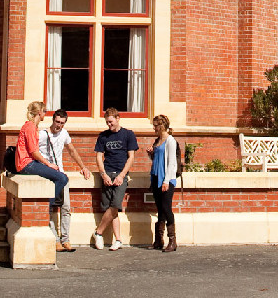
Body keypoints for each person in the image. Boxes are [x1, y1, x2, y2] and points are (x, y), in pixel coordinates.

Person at [40, 108, 91, 252]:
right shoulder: (42, 135)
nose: (59, 125)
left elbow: (72, 150)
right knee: (48, 208)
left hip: (61, 176)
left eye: (62, 123)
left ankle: (66, 239)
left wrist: (83, 167)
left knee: (66, 208)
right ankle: (55, 240)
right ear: (52, 120)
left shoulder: (64, 134)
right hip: (47, 175)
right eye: (57, 122)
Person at [92, 108, 138, 250]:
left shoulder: (128, 135)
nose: (109, 125)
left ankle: (98, 233)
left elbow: (131, 157)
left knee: (115, 205)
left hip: (120, 174)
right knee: (109, 208)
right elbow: (99, 156)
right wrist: (103, 174)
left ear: (118, 118)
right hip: (107, 174)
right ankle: (118, 240)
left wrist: (122, 175)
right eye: (107, 122)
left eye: (111, 121)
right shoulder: (103, 136)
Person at [15, 101, 70, 212]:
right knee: (62, 178)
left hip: (28, 163)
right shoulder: (30, 127)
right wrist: (48, 164)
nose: (46, 114)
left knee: (55, 176)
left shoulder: (32, 126)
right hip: (26, 164)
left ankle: (46, 204)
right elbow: (34, 152)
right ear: (39, 113)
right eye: (45, 111)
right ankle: (46, 208)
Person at [149, 114, 179, 252]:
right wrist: (151, 153)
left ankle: (172, 241)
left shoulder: (170, 141)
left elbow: (172, 162)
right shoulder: (158, 140)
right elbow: (158, 159)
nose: (154, 128)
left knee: (167, 209)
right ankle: (158, 240)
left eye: (155, 125)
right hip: (156, 177)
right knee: (160, 208)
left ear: (161, 126)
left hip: (166, 179)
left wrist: (166, 181)